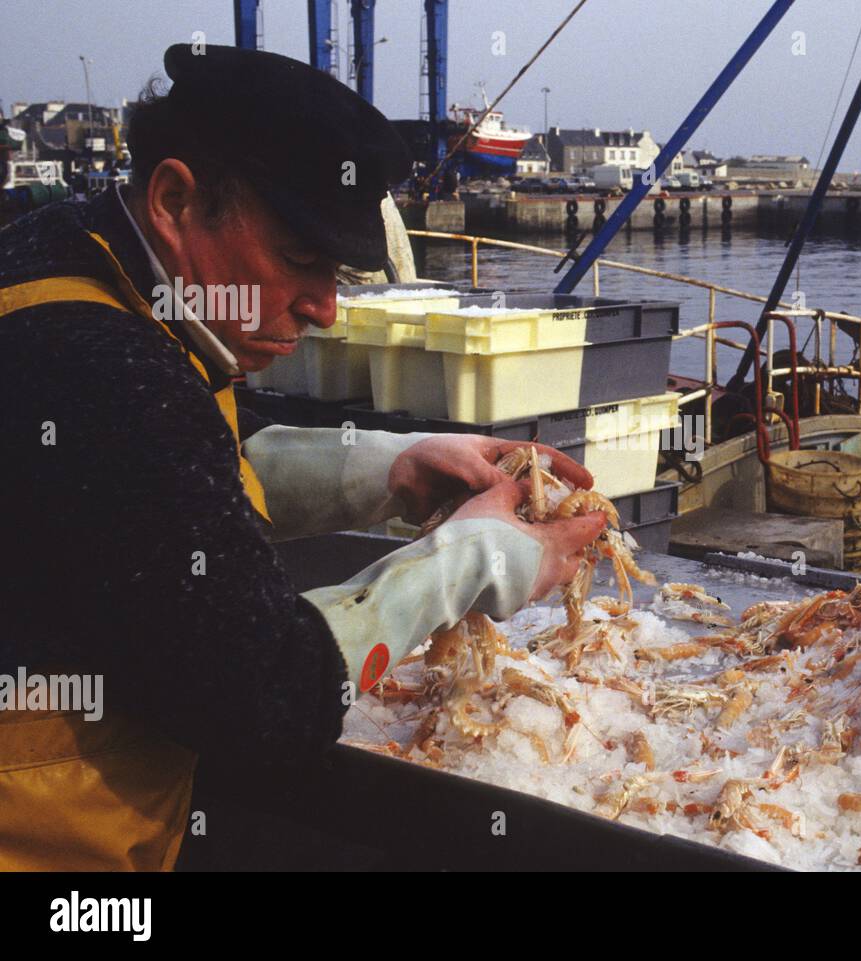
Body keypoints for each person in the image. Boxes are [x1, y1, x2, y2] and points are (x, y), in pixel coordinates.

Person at [0, 44, 605, 870]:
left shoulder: (69, 253)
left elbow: (181, 474)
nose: (324, 308)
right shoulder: (97, 365)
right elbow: (266, 697)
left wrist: (393, 466)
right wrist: (473, 562)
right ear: (176, 199)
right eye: (300, 259)